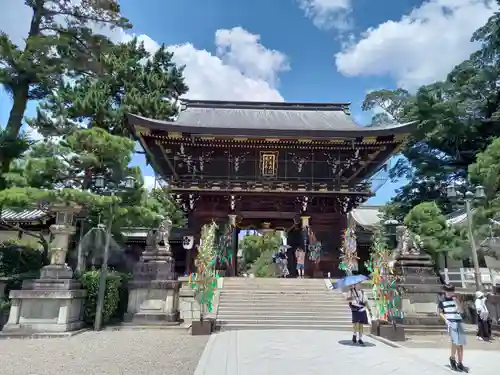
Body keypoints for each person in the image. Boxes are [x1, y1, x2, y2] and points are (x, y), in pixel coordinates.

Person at [438, 284, 467, 372]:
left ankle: (460, 363)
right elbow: (440, 312)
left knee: (460, 343)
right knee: (455, 342)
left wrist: (457, 302)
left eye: (451, 291)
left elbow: (461, 311)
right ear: (445, 290)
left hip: (458, 321)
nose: (450, 292)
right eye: (448, 291)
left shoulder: (456, 299)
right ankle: (452, 359)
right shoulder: (442, 301)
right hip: (451, 322)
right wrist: (446, 320)